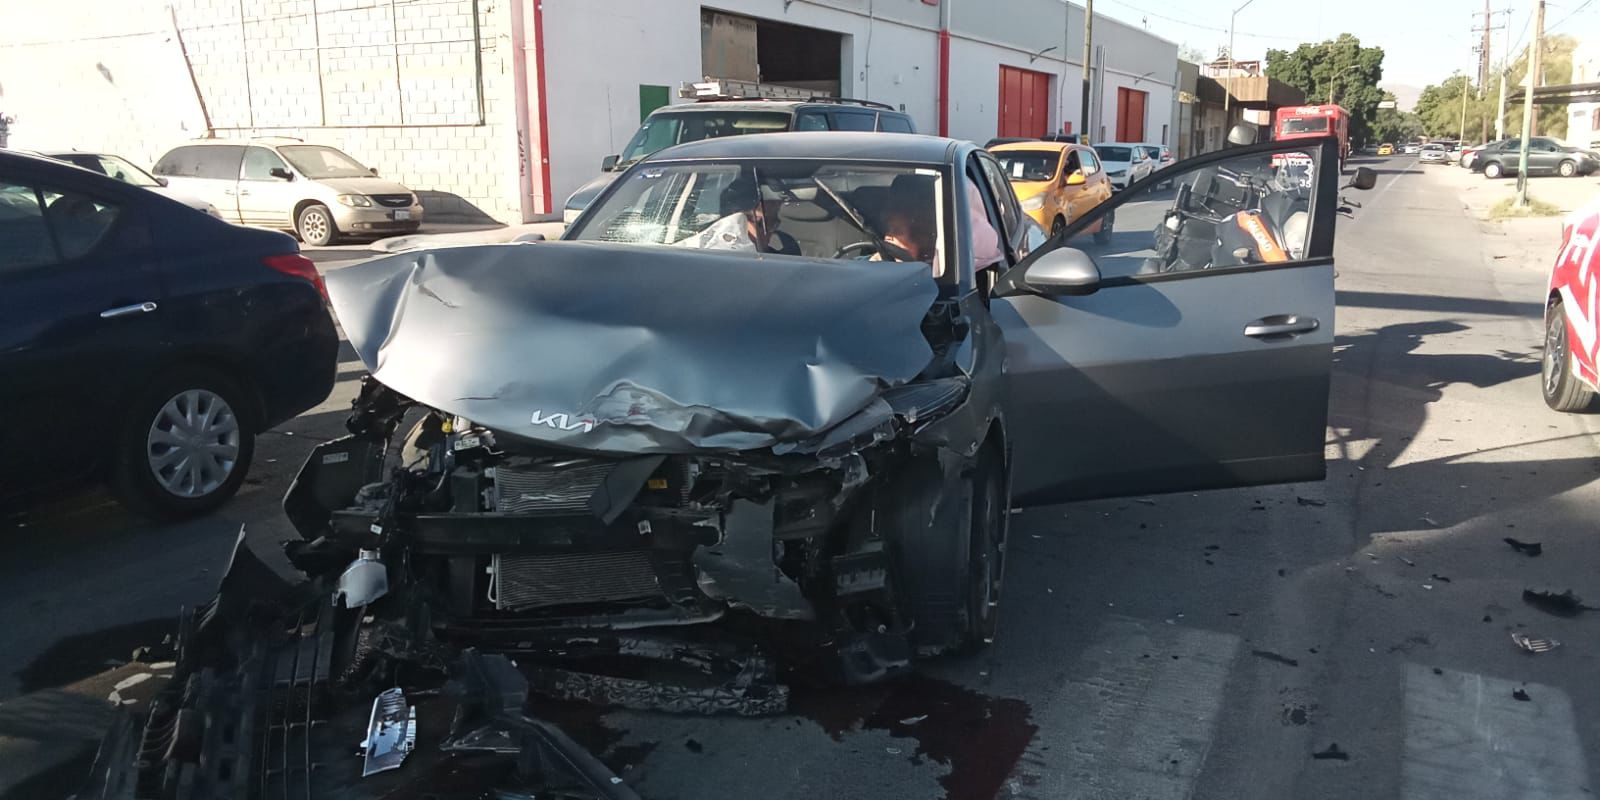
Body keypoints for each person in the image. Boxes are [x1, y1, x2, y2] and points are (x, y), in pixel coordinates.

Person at [675, 175, 800, 255]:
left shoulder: (785, 260)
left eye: (774, 223)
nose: (769, 232)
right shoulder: (690, 255)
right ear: (734, 219)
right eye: (762, 223)